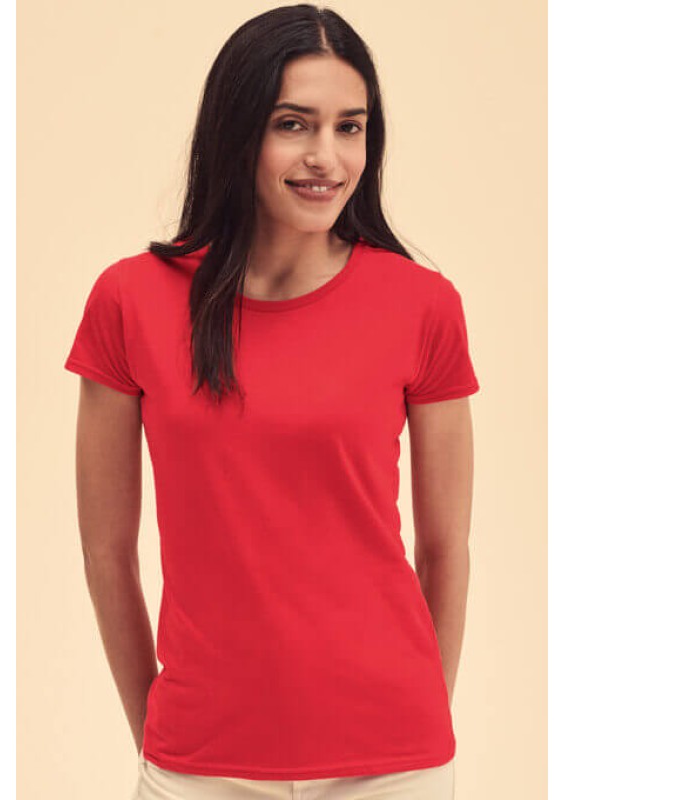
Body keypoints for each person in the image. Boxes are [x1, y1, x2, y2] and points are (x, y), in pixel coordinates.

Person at [64, 5, 480, 799]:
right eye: (294, 124)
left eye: (350, 127)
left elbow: (445, 549)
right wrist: (158, 734)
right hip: (198, 761)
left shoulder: (422, 305)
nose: (327, 156)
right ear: (236, 131)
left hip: (391, 763)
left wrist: (423, 718)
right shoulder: (131, 301)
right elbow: (105, 552)